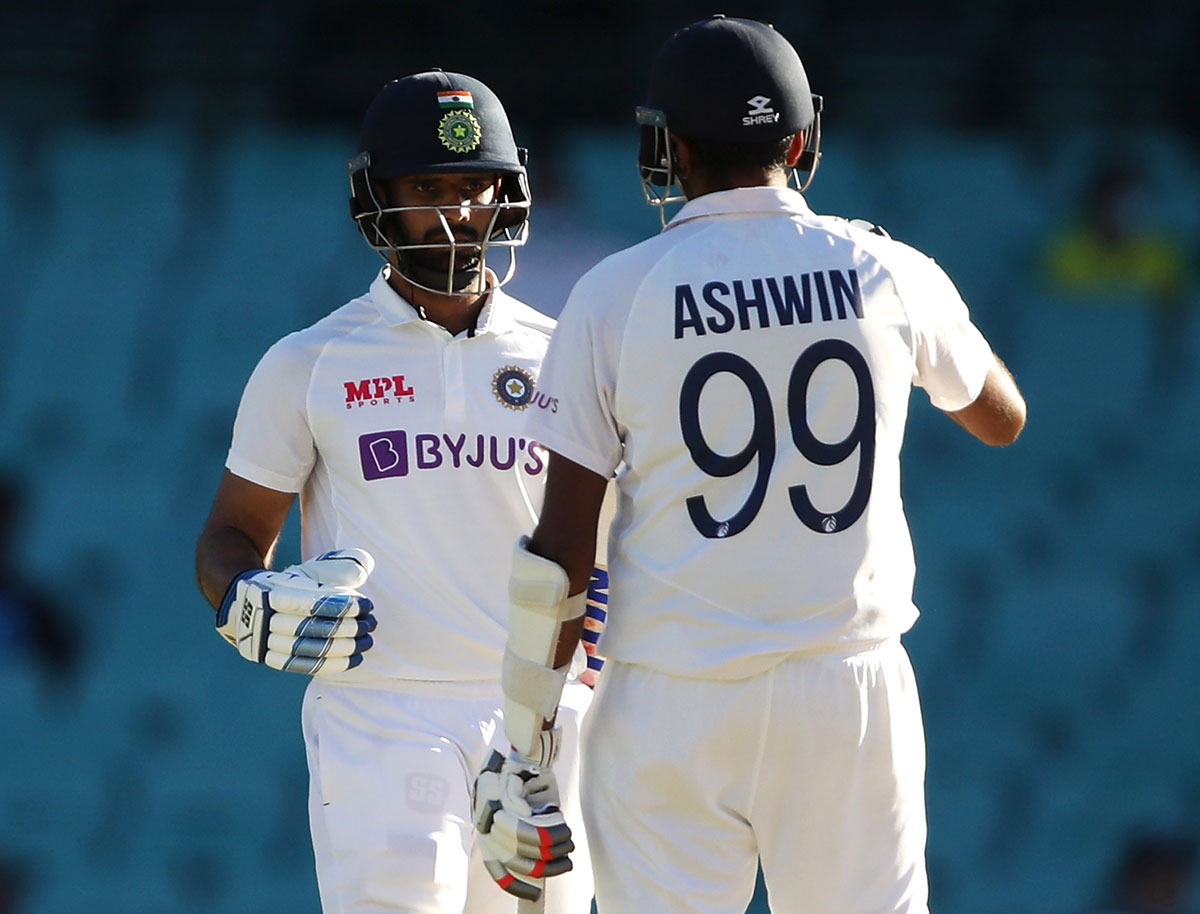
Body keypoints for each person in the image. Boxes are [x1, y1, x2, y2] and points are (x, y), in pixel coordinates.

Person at [475, 15, 1027, 914]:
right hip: (850, 686)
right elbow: (1002, 419)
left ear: (673, 150)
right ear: (802, 141)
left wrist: (524, 741)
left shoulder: (614, 292)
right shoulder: (881, 264)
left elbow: (562, 548)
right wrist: (911, 296)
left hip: (672, 697)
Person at [195, 70, 599, 914]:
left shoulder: (567, 355)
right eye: (425, 188)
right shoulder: (310, 363)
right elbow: (231, 532)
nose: (453, 213)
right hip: (379, 718)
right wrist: (243, 592)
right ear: (377, 197)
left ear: (507, 196)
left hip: (540, 723)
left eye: (471, 187)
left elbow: (613, 553)